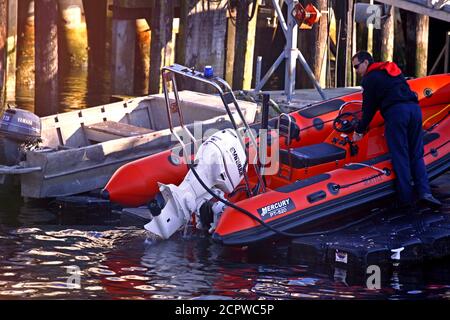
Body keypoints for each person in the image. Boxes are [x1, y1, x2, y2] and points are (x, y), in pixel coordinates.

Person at [351, 51, 441, 210]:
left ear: (366, 62)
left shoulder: (369, 79)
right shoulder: (389, 69)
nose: (356, 71)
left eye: (357, 66)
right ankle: (425, 192)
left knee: (400, 155)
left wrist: (359, 130)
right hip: (414, 110)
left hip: (397, 114)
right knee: (416, 154)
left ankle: (406, 199)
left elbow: (369, 109)